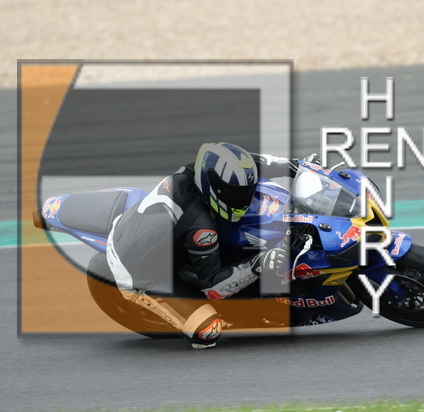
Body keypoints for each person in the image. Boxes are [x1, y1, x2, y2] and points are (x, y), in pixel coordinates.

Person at [88, 143, 310, 349]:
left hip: (149, 232)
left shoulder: (201, 169)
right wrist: (259, 264)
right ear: (216, 189)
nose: (245, 198)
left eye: (246, 190)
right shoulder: (201, 228)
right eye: (235, 193)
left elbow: (249, 164)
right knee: (207, 331)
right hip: (139, 272)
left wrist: (297, 166)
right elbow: (213, 288)